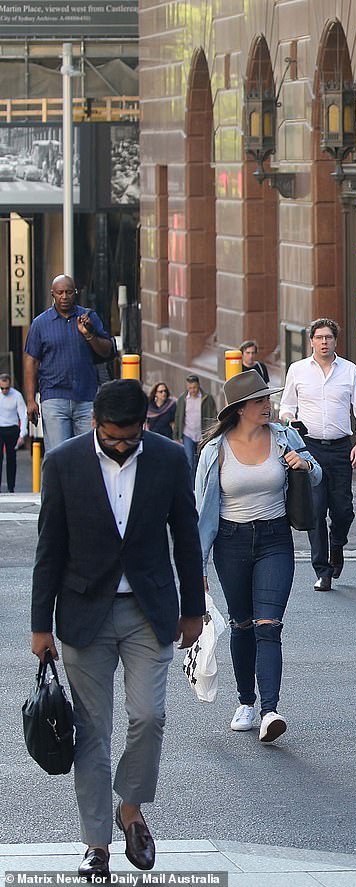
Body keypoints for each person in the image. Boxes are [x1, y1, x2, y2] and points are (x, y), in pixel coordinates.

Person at [30, 379, 205, 879]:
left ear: (144, 425)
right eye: (114, 437)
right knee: (91, 734)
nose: (123, 445)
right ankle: (96, 844)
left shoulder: (169, 459)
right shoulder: (63, 463)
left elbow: (186, 535)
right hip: (85, 613)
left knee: (150, 717)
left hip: (150, 610)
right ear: (95, 426)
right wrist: (40, 625)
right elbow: (49, 549)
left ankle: (131, 808)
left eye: (132, 437)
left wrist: (192, 608)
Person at [196, 370, 321, 741]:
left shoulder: (285, 437)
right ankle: (246, 702)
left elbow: (316, 476)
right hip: (230, 542)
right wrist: (197, 566)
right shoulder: (214, 451)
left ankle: (270, 711)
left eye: (268, 399)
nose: (267, 406)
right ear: (239, 409)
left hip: (274, 539)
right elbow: (200, 511)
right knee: (242, 623)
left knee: (269, 625)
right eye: (259, 401)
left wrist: (305, 464)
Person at [280, 318, 356, 591]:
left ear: (335, 341)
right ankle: (323, 570)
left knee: (343, 510)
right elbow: (286, 407)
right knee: (316, 510)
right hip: (310, 448)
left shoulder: (349, 370)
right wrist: (289, 422)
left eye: (328, 338)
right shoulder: (297, 370)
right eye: (319, 338)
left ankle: (338, 546)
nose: (323, 342)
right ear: (311, 341)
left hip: (342, 447)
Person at [24, 274, 113, 452]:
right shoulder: (40, 324)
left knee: (88, 454)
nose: (64, 297)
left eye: (69, 292)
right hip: (54, 396)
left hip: (86, 397)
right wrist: (30, 400)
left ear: (76, 293)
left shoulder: (88, 317)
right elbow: (31, 361)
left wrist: (89, 335)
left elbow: (107, 350)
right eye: (60, 293)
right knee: (58, 455)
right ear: (53, 294)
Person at [174, 374, 217, 485]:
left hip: (201, 435)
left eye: (194, 388)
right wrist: (176, 435)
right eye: (190, 388)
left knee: (200, 461)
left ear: (198, 386)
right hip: (187, 433)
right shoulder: (183, 399)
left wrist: (212, 433)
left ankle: (200, 484)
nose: (192, 390)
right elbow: (178, 416)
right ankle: (191, 486)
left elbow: (213, 415)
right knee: (189, 461)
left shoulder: (207, 398)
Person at [0, 373, 27, 492]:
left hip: (12, 429)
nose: (4, 391)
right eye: (2, 388)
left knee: (12, 459)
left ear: (10, 385)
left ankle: (11, 487)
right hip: (0, 428)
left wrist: (22, 434)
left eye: (6, 388)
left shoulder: (17, 395)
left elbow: (23, 414)